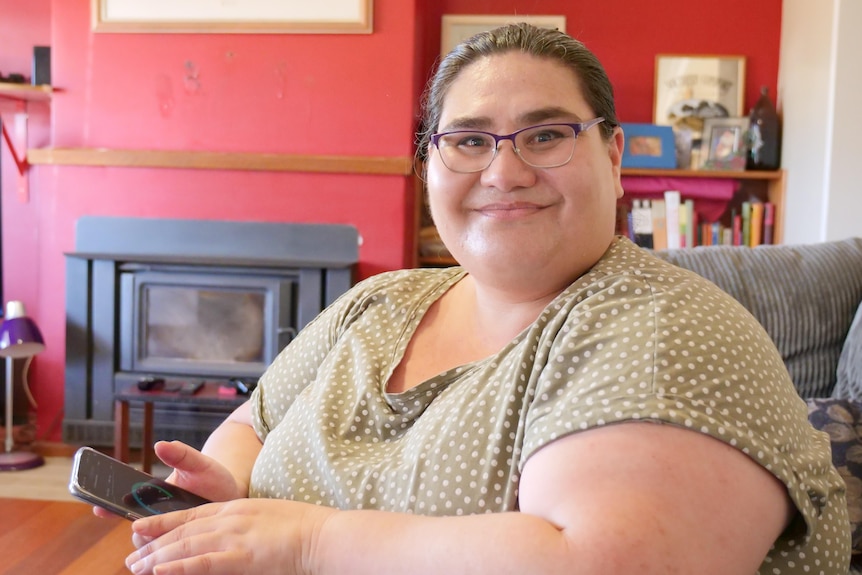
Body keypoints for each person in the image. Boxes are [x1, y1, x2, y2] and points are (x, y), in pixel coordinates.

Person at [113, 23, 850, 574]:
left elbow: (599, 560)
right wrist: (230, 486)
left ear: (615, 155)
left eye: (546, 134)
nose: (503, 171)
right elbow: (252, 422)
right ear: (431, 160)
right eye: (468, 140)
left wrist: (308, 540)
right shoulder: (382, 302)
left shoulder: (663, 326)